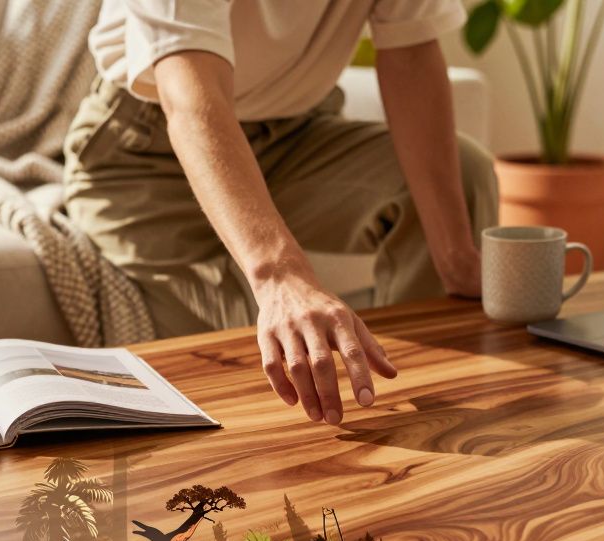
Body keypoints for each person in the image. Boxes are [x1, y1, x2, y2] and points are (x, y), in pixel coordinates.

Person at [64, 1, 498, 427]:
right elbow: (192, 99)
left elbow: (411, 52)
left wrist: (455, 254)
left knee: (464, 174)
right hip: (147, 159)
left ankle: (426, 408)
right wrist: (280, 276)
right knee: (258, 372)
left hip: (293, 136)